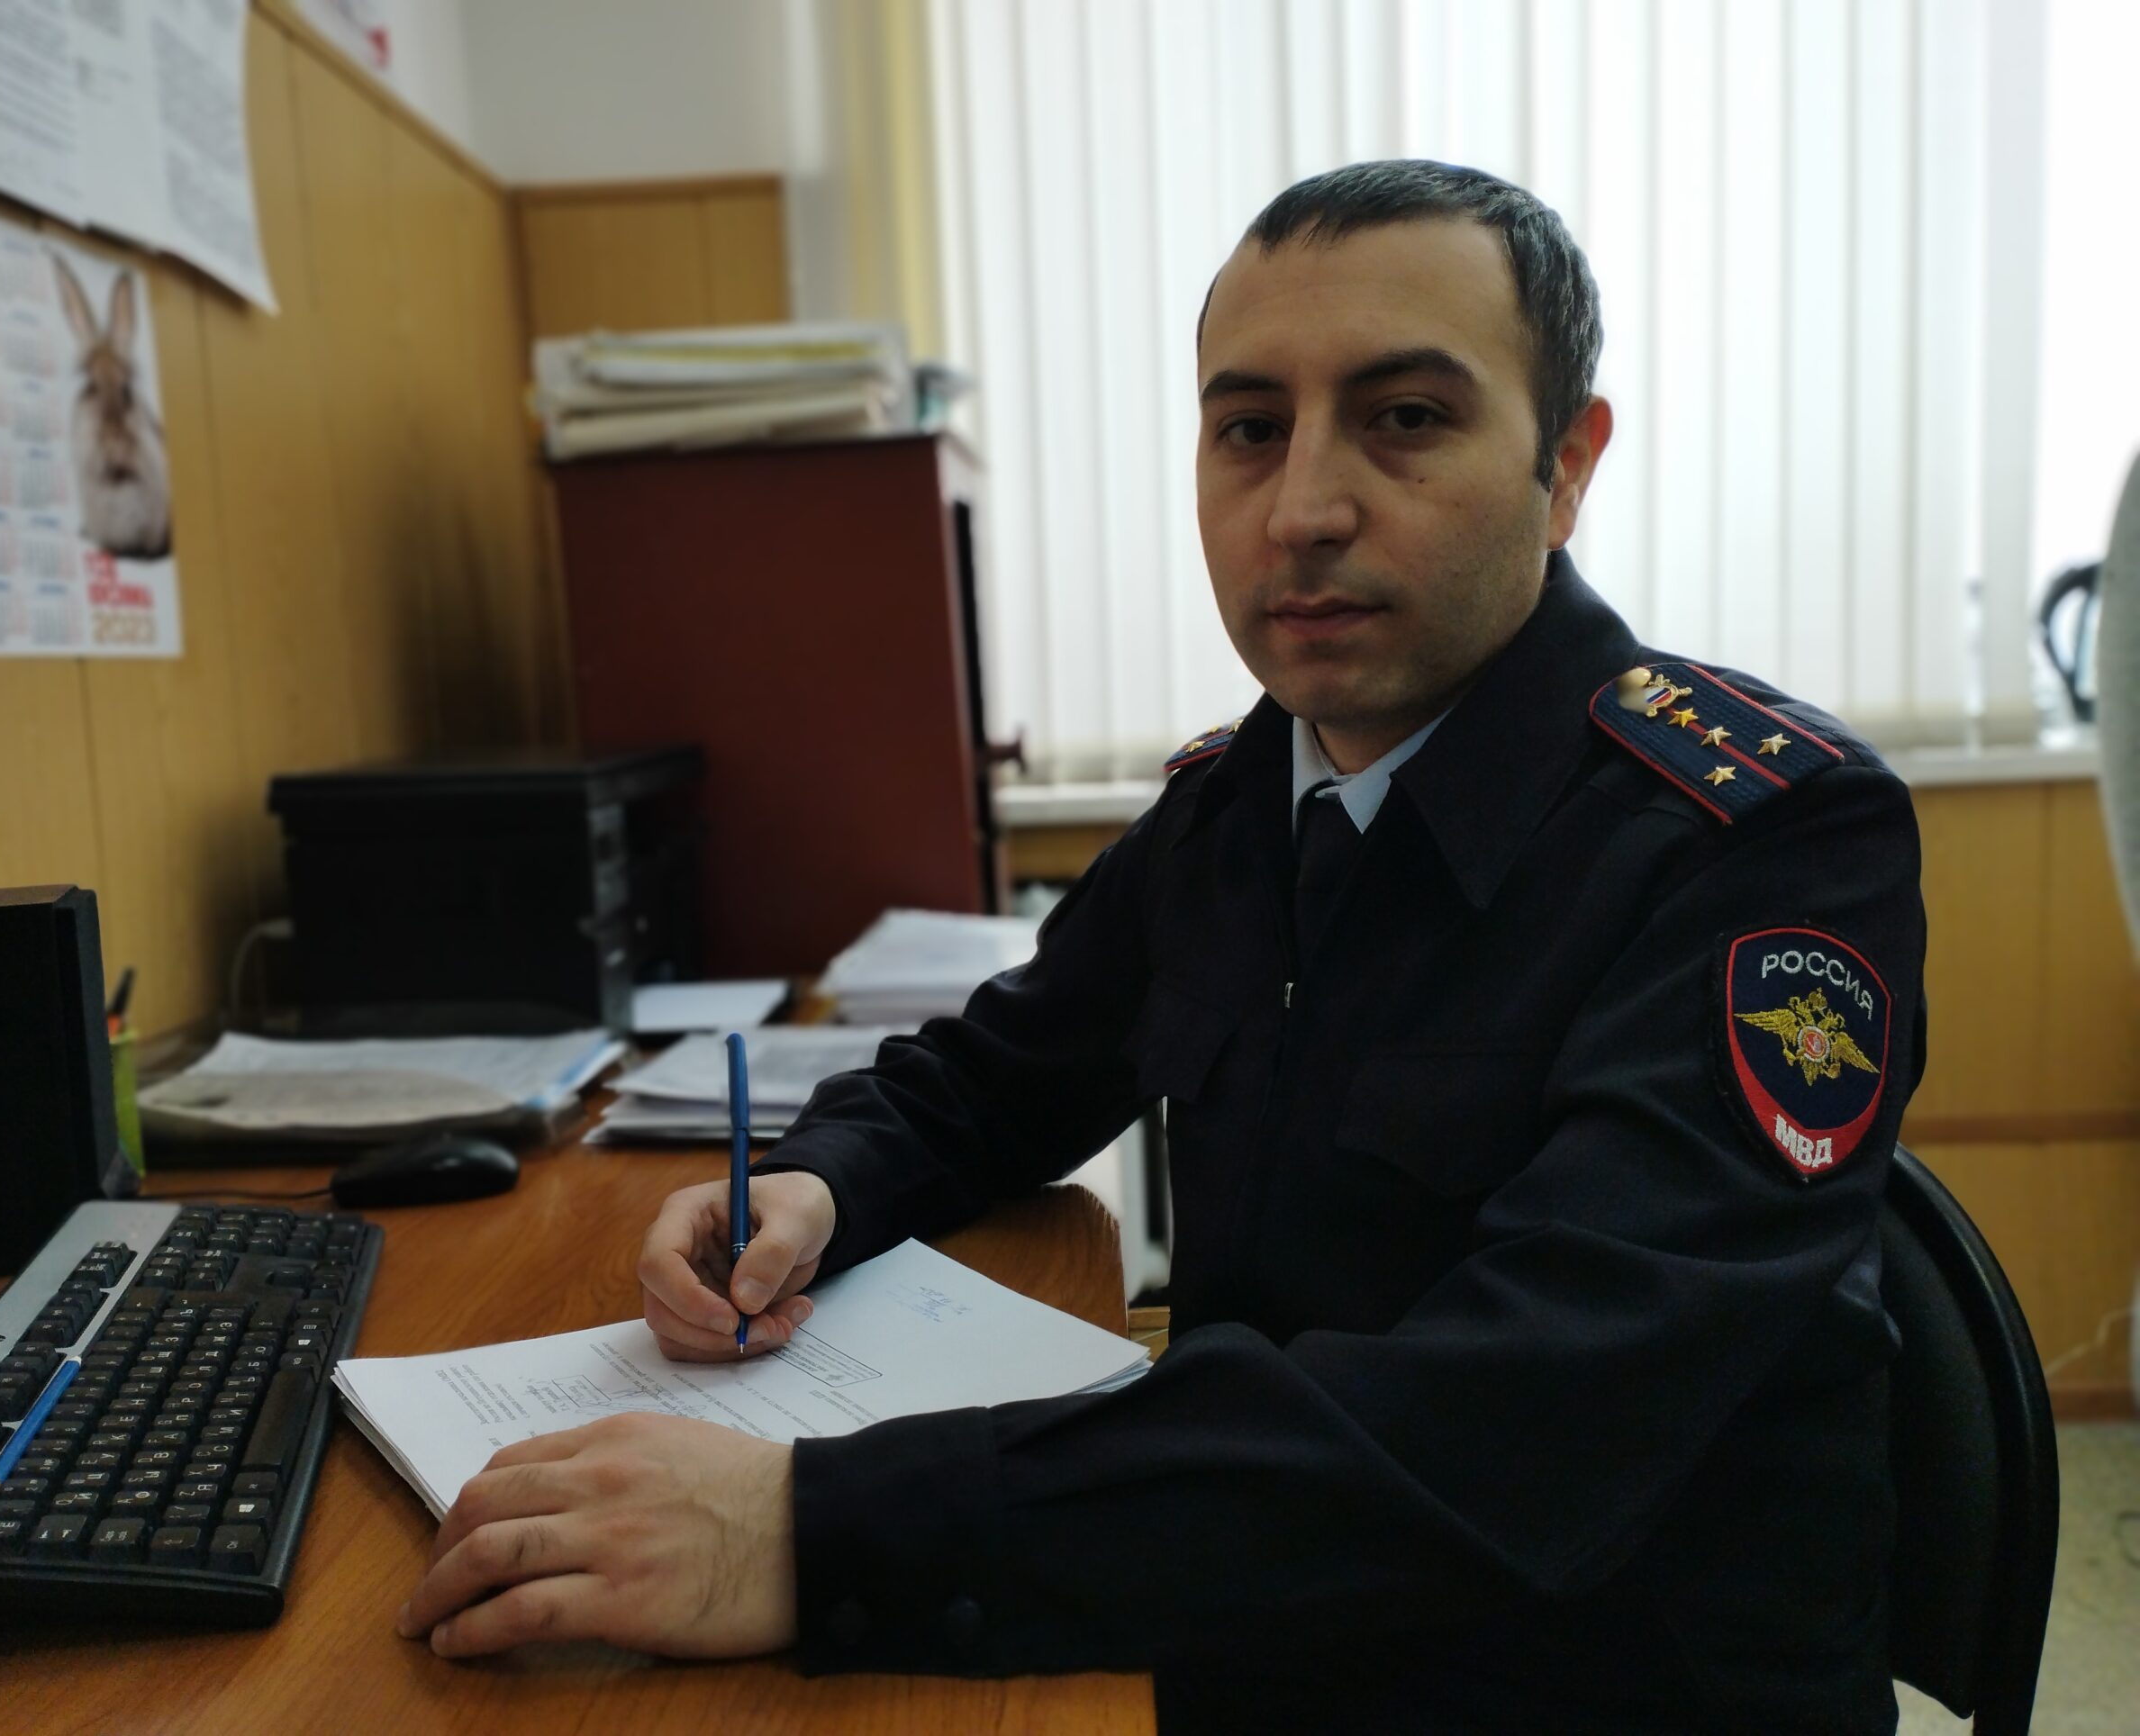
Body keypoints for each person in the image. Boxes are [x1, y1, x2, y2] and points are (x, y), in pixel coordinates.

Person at [396, 160, 1925, 1732]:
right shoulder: (1243, 799)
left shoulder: (1762, 842)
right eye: (1250, 428)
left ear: (1567, 466)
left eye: (1406, 418)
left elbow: (1521, 1421)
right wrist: (818, 1182)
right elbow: (1001, 1073)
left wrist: (799, 1531)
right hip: (1249, 1621)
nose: (1303, 509)